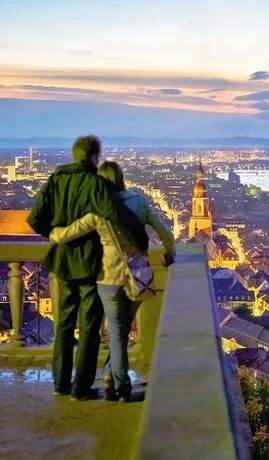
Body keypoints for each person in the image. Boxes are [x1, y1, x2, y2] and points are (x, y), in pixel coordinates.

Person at [27, 135, 149, 400]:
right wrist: (140, 241)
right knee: (89, 327)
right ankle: (80, 388)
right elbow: (117, 216)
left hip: (61, 263)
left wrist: (55, 234)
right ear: (94, 157)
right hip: (88, 263)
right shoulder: (95, 184)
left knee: (63, 325)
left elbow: (34, 218)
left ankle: (60, 383)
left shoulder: (56, 179)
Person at [49, 161, 175, 401]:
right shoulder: (138, 202)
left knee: (116, 334)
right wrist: (170, 256)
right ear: (120, 177)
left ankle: (118, 383)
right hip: (137, 276)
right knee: (123, 332)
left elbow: (64, 235)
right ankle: (116, 381)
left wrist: (53, 231)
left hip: (107, 278)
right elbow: (166, 235)